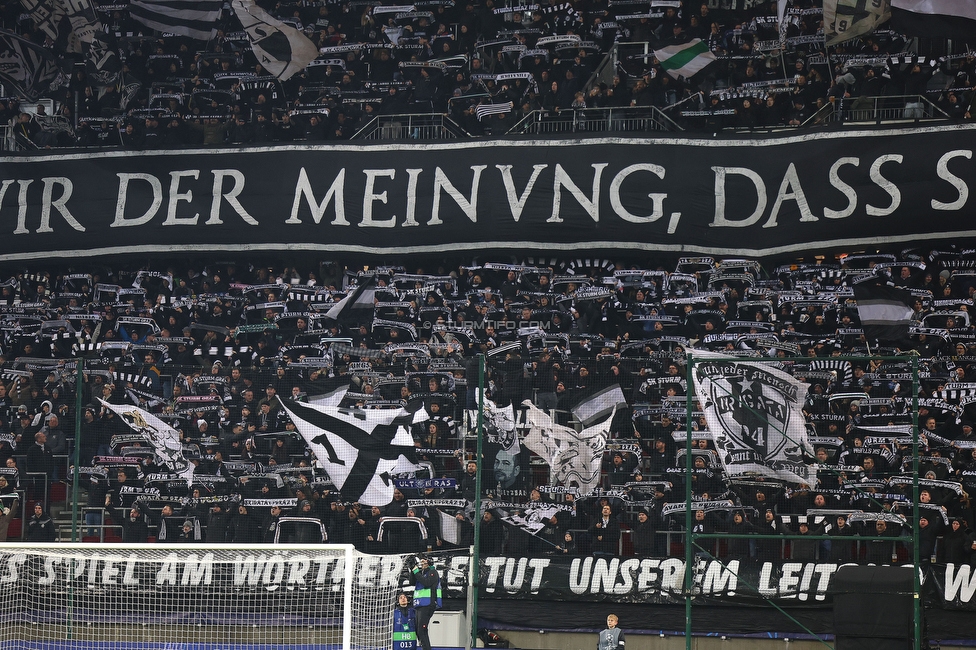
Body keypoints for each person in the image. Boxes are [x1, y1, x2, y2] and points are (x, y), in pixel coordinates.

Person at [410, 554, 441, 650]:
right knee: (419, 631)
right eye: (421, 561)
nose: (422, 562)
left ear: (429, 561)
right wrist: (412, 569)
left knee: (421, 630)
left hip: (428, 604)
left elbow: (426, 582)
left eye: (424, 560)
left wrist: (416, 571)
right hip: (420, 604)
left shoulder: (433, 572)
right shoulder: (421, 573)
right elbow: (412, 582)